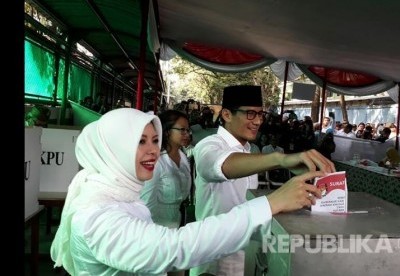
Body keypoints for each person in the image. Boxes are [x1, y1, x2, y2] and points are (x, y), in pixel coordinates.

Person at [50, 108, 326, 275]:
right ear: (112, 148)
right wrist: (271, 201)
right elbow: (173, 247)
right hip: (205, 250)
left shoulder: (116, 190)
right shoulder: (98, 214)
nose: (151, 150)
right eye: (139, 141)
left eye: (154, 141)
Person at [190, 85, 335, 276]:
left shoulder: (250, 150)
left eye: (260, 114)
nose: (258, 121)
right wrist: (279, 159)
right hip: (216, 253)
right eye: (250, 114)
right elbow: (224, 165)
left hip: (248, 248)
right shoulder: (209, 145)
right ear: (226, 114)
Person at [140, 110, 192, 229]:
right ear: (167, 131)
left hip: (176, 224)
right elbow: (146, 202)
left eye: (188, 130)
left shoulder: (183, 157)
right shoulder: (156, 161)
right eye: (182, 130)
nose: (187, 134)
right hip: (156, 227)